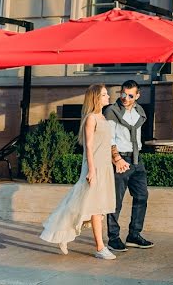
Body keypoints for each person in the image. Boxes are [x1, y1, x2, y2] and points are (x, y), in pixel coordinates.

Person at [40, 84, 117, 260]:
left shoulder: (103, 118)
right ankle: (100, 247)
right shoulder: (91, 118)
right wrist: (91, 170)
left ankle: (63, 234)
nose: (108, 97)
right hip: (94, 167)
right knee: (93, 208)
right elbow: (88, 146)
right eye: (104, 95)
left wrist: (116, 161)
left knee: (84, 206)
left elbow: (106, 144)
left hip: (105, 168)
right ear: (96, 98)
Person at [105, 79, 154, 252]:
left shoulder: (139, 111)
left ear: (137, 96)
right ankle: (113, 238)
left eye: (130, 95)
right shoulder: (112, 111)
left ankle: (134, 235)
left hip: (137, 159)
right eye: (123, 94)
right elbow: (108, 138)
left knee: (142, 196)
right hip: (121, 160)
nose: (125, 98)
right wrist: (116, 159)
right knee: (115, 201)